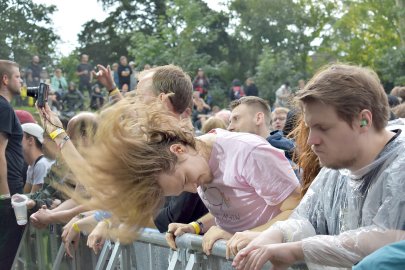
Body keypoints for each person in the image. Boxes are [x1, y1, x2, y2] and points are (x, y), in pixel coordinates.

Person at [233, 64, 405, 270]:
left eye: (323, 128)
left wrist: (296, 250)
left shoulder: (400, 167)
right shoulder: (335, 170)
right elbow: (307, 219)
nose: (312, 140)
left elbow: (391, 241)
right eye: (310, 127)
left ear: (363, 121)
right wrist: (275, 234)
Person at [0, 60, 25, 269]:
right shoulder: (3, 108)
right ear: (5, 79)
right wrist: (5, 196)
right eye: (18, 76)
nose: (22, 80)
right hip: (7, 191)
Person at [228, 96, 295, 160]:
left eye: (236, 119)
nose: (229, 128)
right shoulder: (241, 154)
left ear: (258, 118)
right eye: (230, 122)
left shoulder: (287, 154)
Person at [21, 123, 54, 194]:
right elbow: (25, 195)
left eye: (19, 137)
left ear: (30, 140)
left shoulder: (42, 164)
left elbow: (33, 199)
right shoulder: (32, 165)